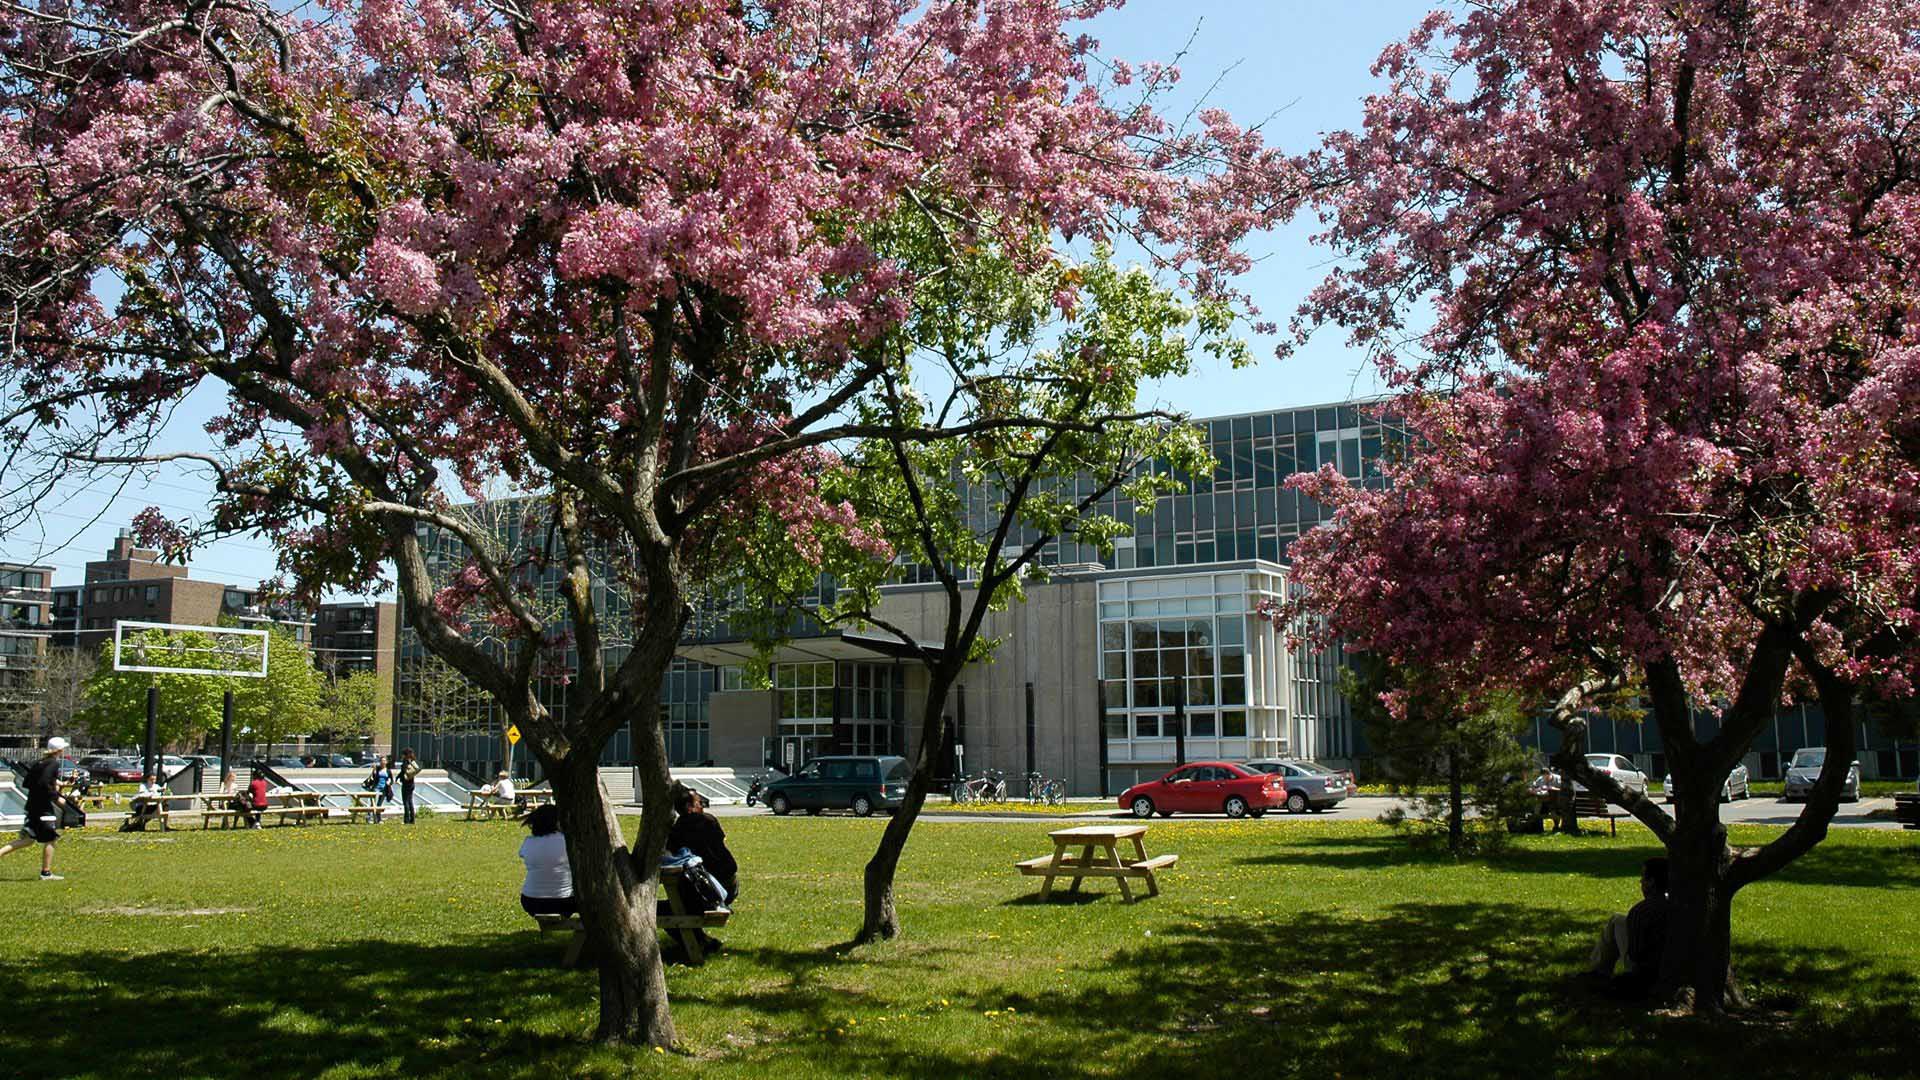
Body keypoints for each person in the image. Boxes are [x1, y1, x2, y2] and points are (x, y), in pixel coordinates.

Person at [1588, 856, 1673, 997]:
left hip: (1647, 973)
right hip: (1670, 967)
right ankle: (1597, 971)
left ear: (1651, 882)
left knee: (1616, 920)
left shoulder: (1642, 911)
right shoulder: (1679, 905)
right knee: (1618, 920)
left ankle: (1598, 971)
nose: (1640, 881)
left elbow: (1636, 954)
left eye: (1643, 877)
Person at [0, 737, 75, 879]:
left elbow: (28, 782)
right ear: (59, 750)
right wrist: (55, 797)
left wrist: (54, 784)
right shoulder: (53, 763)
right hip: (43, 808)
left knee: (28, 840)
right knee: (51, 838)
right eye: (63, 748)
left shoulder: (39, 762)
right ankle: (46, 873)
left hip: (32, 806)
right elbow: (44, 783)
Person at [517, 804, 576, 917]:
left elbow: (523, 854)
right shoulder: (568, 842)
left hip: (531, 901)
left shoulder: (528, 842)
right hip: (564, 901)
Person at [398, 748, 421, 825]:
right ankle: (412, 819)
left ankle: (406, 820)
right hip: (411, 783)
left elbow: (403, 771)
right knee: (410, 801)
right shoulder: (412, 762)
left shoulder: (406, 762)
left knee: (406, 802)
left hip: (406, 783)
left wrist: (398, 777)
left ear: (405, 755)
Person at [368, 757, 394, 824]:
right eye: (382, 761)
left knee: (379, 804)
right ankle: (369, 817)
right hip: (376, 788)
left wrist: (389, 782)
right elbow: (373, 777)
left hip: (384, 789)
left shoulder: (388, 771)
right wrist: (374, 770)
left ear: (386, 762)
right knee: (373, 803)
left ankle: (378, 819)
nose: (383, 762)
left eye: (384, 761)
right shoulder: (378, 769)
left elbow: (392, 780)